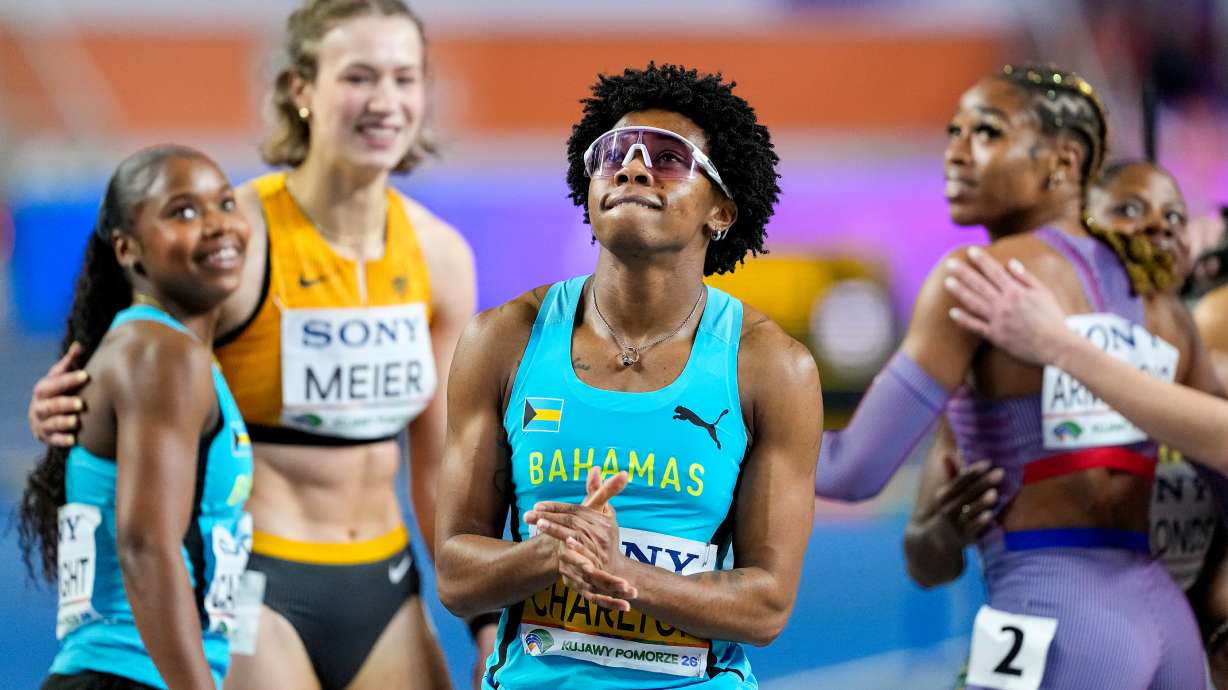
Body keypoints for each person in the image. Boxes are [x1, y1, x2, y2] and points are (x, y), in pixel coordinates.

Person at [26, 2, 477, 688]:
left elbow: (438, 464)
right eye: (359, 76)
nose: (385, 101)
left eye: (404, 77)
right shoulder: (232, 242)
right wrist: (65, 409)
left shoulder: (441, 257)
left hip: (385, 582)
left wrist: (480, 617)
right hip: (254, 586)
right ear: (301, 88)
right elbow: (134, 364)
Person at [816, 64, 1215, 688]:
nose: (955, 152)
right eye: (953, 132)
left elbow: (851, 470)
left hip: (1052, 616)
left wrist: (722, 421)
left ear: (1063, 161)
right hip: (1171, 629)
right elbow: (928, 557)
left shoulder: (980, 282)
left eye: (987, 132)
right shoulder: (1162, 307)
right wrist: (941, 532)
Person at [433, 63, 822, 690]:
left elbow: (766, 606)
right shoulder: (502, 341)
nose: (632, 169)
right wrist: (552, 554)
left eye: (669, 159)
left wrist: (620, 571)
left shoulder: (771, 367)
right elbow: (456, 575)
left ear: (721, 211)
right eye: (613, 154)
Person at [910, 158, 1228, 687]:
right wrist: (943, 532)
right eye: (1129, 209)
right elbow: (925, 559)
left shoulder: (1195, 341)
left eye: (1175, 216)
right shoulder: (998, 381)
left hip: (1182, 636)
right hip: (1061, 629)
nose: (1157, 226)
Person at [19, 145, 253, 689]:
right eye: (184, 212)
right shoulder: (160, 353)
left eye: (225, 203)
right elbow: (145, 547)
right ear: (128, 248)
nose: (218, 224)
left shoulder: (166, 348)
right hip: (129, 675)